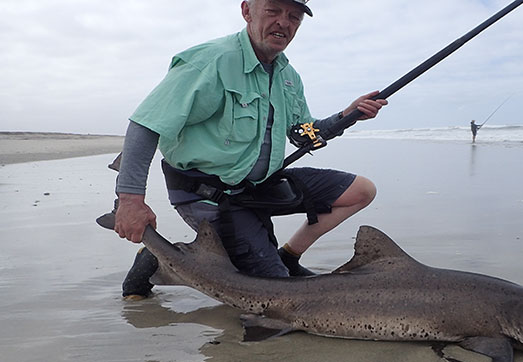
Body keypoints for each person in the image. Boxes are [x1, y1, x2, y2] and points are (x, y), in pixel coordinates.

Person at [113, 0, 388, 300]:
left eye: (294, 16)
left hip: (258, 185)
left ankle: (288, 257)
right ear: (247, 11)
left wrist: (346, 116)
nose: (284, 22)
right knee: (275, 299)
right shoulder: (210, 61)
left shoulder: (288, 76)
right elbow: (145, 125)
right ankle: (162, 256)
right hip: (210, 193)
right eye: (273, 10)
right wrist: (130, 200)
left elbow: (302, 133)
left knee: (362, 191)